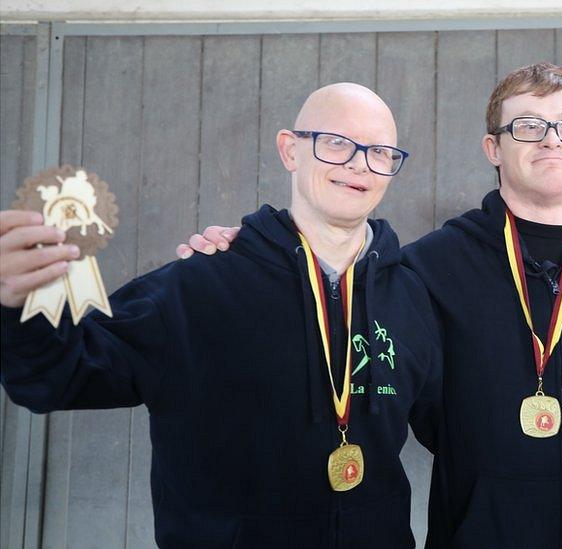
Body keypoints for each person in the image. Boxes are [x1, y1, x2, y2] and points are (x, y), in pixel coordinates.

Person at [179, 63, 562, 548]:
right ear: (493, 148)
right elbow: (326, 294)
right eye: (528, 126)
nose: (551, 140)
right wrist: (254, 250)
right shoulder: (424, 268)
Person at [0, 83, 442, 548]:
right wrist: (15, 306)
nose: (358, 163)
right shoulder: (194, 287)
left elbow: (456, 424)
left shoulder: (411, 296)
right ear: (291, 150)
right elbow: (59, 376)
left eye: (380, 152)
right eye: (337, 142)